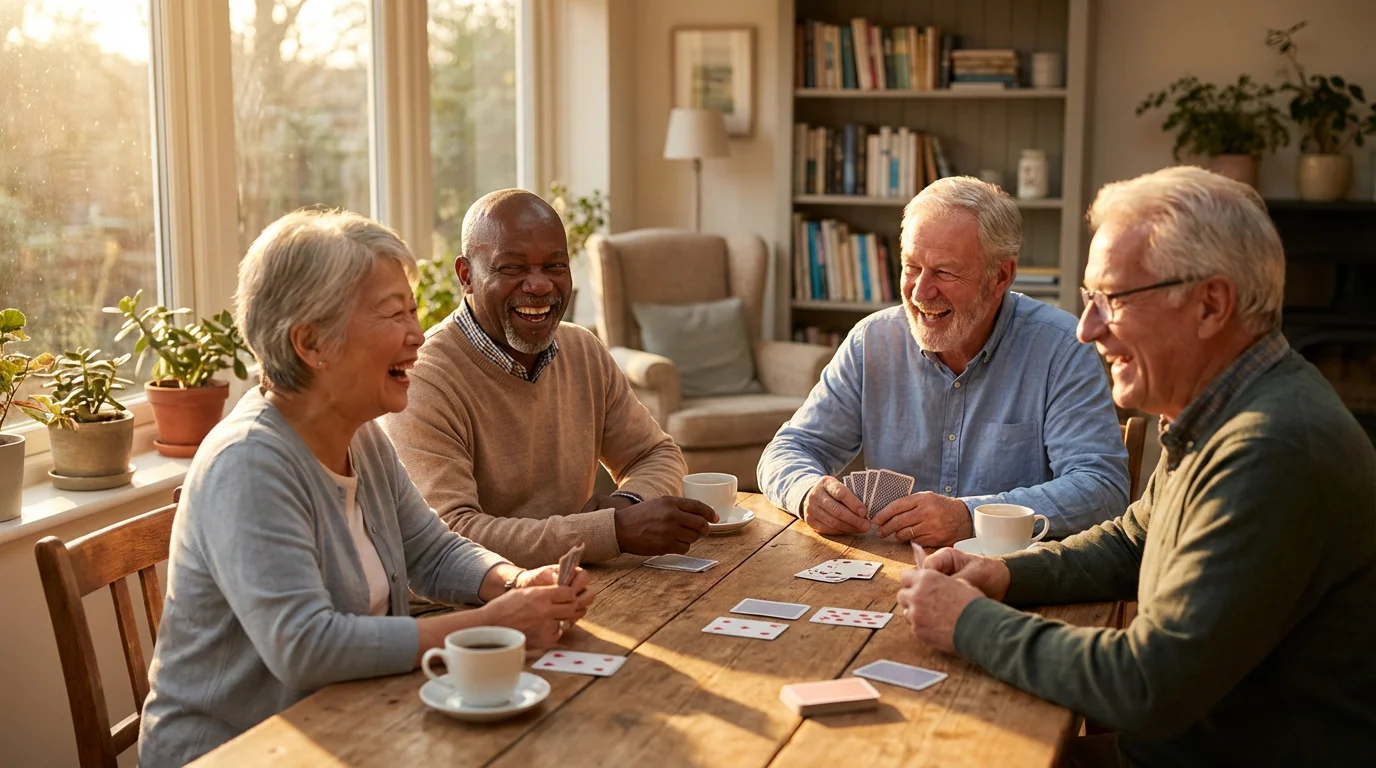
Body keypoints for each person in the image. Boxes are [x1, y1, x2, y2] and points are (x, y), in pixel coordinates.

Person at [897, 167, 1376, 767]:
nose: (1087, 328)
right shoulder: (1222, 409)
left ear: (1211, 304)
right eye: (1089, 300)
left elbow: (1146, 685)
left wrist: (968, 622)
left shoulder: (1271, 449)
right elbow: (1132, 542)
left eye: (1112, 301)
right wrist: (1005, 575)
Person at [138, 210, 596, 767]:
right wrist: (492, 624)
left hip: (354, 726)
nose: (418, 334)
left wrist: (512, 581)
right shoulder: (249, 464)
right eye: (392, 314)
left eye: (413, 311)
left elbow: (431, 548)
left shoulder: (362, 437)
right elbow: (307, 648)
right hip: (239, 751)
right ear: (311, 342)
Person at [758, 176, 1128, 547]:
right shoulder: (871, 342)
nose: (920, 293)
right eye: (911, 267)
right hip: (889, 573)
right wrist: (807, 491)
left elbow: (1102, 490)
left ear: (1001, 276)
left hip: (1015, 577)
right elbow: (786, 451)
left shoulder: (1062, 347)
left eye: (944, 272)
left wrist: (971, 517)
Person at [380, 189, 715, 569]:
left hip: (578, 583)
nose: (539, 285)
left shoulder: (583, 350)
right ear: (466, 275)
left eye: (555, 266)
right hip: (467, 610)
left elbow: (655, 454)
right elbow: (451, 536)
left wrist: (628, 505)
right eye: (512, 268)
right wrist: (613, 531)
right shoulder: (423, 380)